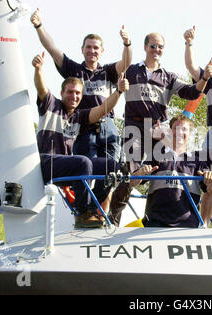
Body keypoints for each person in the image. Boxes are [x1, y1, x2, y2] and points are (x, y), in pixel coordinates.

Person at [30, 8, 132, 212]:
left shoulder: (108, 71)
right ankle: (83, 210)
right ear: (82, 49)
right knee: (84, 165)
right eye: (88, 47)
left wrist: (127, 43)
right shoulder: (74, 70)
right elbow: (52, 49)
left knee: (112, 170)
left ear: (101, 51)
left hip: (108, 125)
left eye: (96, 48)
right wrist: (39, 26)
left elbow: (126, 62)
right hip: (83, 125)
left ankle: (97, 210)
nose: (92, 51)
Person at [32, 52, 129, 228]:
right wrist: (38, 70)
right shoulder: (51, 105)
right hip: (47, 163)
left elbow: (102, 109)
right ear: (62, 93)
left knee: (111, 165)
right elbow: (41, 88)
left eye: (78, 93)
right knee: (84, 162)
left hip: (67, 166)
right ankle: (81, 212)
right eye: (70, 92)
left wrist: (119, 91)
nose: (74, 96)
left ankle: (92, 209)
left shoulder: (79, 116)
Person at [122, 32, 212, 173]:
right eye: (153, 45)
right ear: (145, 47)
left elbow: (192, 93)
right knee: (130, 171)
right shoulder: (131, 71)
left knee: (162, 165)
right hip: (133, 126)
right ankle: (120, 193)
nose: (156, 49)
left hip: (156, 128)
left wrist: (205, 78)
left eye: (161, 47)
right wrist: (126, 43)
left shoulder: (168, 77)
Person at [109, 114, 212, 228]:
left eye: (184, 129)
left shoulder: (198, 161)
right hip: (155, 223)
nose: (179, 133)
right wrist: (139, 174)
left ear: (190, 133)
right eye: (176, 128)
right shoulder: (156, 156)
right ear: (170, 132)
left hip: (187, 226)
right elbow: (133, 183)